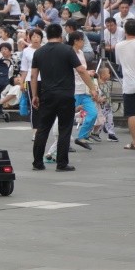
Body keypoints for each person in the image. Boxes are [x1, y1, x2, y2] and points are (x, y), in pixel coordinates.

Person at [29, 23, 80, 173]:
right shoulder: (68, 50)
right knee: (64, 129)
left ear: (46, 35)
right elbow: (81, 70)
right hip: (65, 95)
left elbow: (33, 76)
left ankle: (37, 162)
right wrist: (92, 88)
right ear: (60, 35)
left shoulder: (39, 52)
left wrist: (35, 95)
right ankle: (62, 163)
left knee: (42, 129)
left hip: (47, 94)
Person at [115, 19, 135, 150]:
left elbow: (119, 62)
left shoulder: (119, 45)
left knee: (131, 113)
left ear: (125, 31)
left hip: (129, 83)